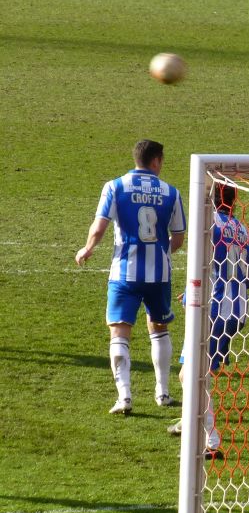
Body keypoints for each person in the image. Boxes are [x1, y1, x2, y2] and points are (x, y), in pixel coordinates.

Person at [75, 140, 186, 414]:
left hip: (124, 272)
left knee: (119, 330)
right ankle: (163, 393)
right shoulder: (171, 192)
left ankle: (124, 396)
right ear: (156, 161)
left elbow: (99, 226)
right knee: (159, 328)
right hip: (159, 275)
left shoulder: (115, 187)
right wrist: (161, 252)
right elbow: (179, 237)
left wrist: (88, 248)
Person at [168, 183, 249, 459]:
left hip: (212, 311)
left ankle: (212, 438)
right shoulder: (243, 231)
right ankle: (190, 420)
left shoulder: (208, 227)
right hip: (237, 312)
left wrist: (190, 298)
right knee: (199, 373)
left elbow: (202, 267)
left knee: (190, 375)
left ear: (209, 200)